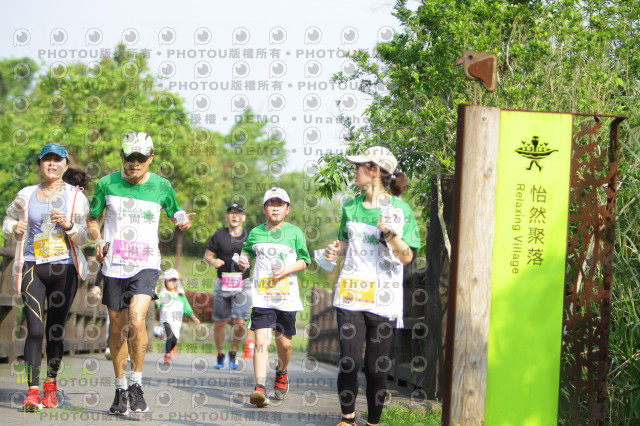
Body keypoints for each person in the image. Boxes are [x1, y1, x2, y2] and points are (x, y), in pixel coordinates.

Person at [87, 132, 195, 415]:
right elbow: (92, 218)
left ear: (151, 158)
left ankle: (136, 383)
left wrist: (182, 220)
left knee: (136, 319)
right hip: (114, 265)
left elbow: (175, 212)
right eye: (129, 156)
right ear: (121, 156)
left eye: (141, 157)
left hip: (146, 264)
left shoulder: (162, 185)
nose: (135, 162)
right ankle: (120, 387)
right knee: (118, 328)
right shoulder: (106, 183)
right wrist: (97, 239)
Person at [325, 146, 420, 426]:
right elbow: (347, 244)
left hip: (383, 298)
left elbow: (406, 257)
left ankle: (373, 423)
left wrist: (389, 233)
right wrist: (336, 249)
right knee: (349, 361)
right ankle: (348, 420)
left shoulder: (400, 210)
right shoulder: (350, 207)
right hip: (351, 294)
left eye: (359, 166)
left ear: (375, 170)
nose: (354, 171)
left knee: (376, 369)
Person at [3, 143, 90, 411]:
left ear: (66, 165)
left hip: (65, 269)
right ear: (40, 164)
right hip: (32, 266)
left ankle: (50, 383)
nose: (51, 164)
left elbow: (86, 236)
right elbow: (8, 220)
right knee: (34, 329)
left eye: (57, 160)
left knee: (55, 329)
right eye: (46, 160)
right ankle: (32, 391)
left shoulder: (76, 198)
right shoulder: (26, 194)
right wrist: (14, 227)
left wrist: (69, 225)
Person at [238, 187, 310, 408]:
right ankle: (259, 388)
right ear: (264, 208)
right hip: (262, 297)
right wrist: (243, 258)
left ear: (287, 209)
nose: (275, 208)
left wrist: (286, 269)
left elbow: (305, 261)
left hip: (287, 298)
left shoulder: (295, 233)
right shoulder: (255, 232)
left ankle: (282, 372)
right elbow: (247, 251)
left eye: (280, 204)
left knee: (284, 345)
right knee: (262, 341)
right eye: (271, 204)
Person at [203, 202, 252, 370]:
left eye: (238, 213)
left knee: (240, 322)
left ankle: (233, 351)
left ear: (243, 217)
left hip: (244, 282)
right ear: (227, 216)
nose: (235, 216)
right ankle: (220, 354)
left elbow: (257, 255)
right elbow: (208, 255)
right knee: (220, 322)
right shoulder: (219, 235)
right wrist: (213, 261)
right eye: (231, 213)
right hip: (222, 281)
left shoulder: (250, 236)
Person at [155, 269, 200, 363]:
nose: (171, 283)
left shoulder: (181, 297)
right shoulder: (164, 294)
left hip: (176, 322)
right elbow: (157, 303)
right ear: (165, 282)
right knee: (169, 335)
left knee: (174, 340)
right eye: (169, 281)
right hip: (166, 319)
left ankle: (168, 345)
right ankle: (167, 355)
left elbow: (188, 309)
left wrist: (194, 319)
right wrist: (154, 293)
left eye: (173, 280)